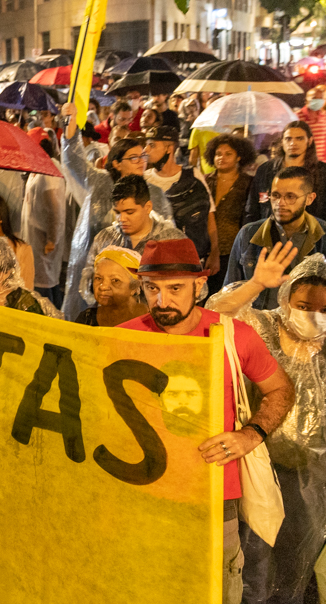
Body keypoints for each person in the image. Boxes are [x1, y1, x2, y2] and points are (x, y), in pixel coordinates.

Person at [117, 238, 295, 604]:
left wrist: (251, 434)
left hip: (214, 496)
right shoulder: (123, 338)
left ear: (199, 286)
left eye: (175, 288)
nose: (162, 301)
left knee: (215, 590)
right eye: (152, 289)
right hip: (141, 493)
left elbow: (280, 390)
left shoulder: (233, 336)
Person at [207, 244, 326, 604]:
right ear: (286, 298)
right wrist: (257, 284)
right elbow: (213, 313)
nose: (314, 316)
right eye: (304, 307)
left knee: (294, 559)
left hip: (307, 475)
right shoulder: (260, 325)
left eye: (324, 310)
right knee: (250, 560)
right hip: (252, 462)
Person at [61, 103, 173, 321]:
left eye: (143, 156)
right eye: (133, 158)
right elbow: (74, 162)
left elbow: (166, 236)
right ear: (116, 163)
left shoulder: (154, 194)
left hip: (135, 282)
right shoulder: (100, 182)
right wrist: (70, 123)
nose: (141, 162)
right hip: (95, 274)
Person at [226, 166, 326, 309]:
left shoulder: (323, 235)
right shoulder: (249, 234)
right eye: (276, 195)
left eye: (290, 197)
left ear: (309, 199)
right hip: (258, 324)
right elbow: (229, 292)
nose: (281, 203)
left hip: (310, 326)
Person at [81, 175, 187, 302]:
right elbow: (88, 280)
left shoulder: (172, 240)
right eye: (118, 212)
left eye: (129, 212)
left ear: (148, 207)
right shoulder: (105, 238)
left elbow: (192, 291)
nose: (122, 219)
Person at [143, 124, 219, 272]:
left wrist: (215, 252)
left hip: (191, 260)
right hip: (154, 262)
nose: (146, 150)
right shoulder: (145, 179)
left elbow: (209, 217)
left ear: (169, 148)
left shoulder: (193, 176)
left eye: (152, 145)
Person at [205, 134, 256, 295]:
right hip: (205, 250)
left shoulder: (248, 183)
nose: (222, 158)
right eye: (218, 153)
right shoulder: (205, 181)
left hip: (234, 250)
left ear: (239, 156)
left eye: (228, 154)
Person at [246, 121, 326, 221]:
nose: (293, 143)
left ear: (309, 141)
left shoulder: (322, 171)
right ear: (282, 141)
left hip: (311, 232)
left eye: (299, 138)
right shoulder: (266, 170)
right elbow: (252, 209)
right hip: (270, 231)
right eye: (288, 139)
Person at [21, 137, 66, 306]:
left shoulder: (50, 169)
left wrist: (51, 239)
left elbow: (55, 208)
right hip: (35, 239)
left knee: (45, 288)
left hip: (43, 243)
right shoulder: (39, 167)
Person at [75, 247, 148, 326]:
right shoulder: (86, 319)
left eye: (115, 281)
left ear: (134, 287)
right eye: (98, 278)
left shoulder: (151, 323)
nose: (103, 287)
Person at [297, 83, 326, 156]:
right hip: (305, 161)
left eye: (320, 98)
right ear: (307, 98)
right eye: (314, 98)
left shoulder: (324, 116)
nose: (318, 101)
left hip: (322, 162)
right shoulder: (298, 117)